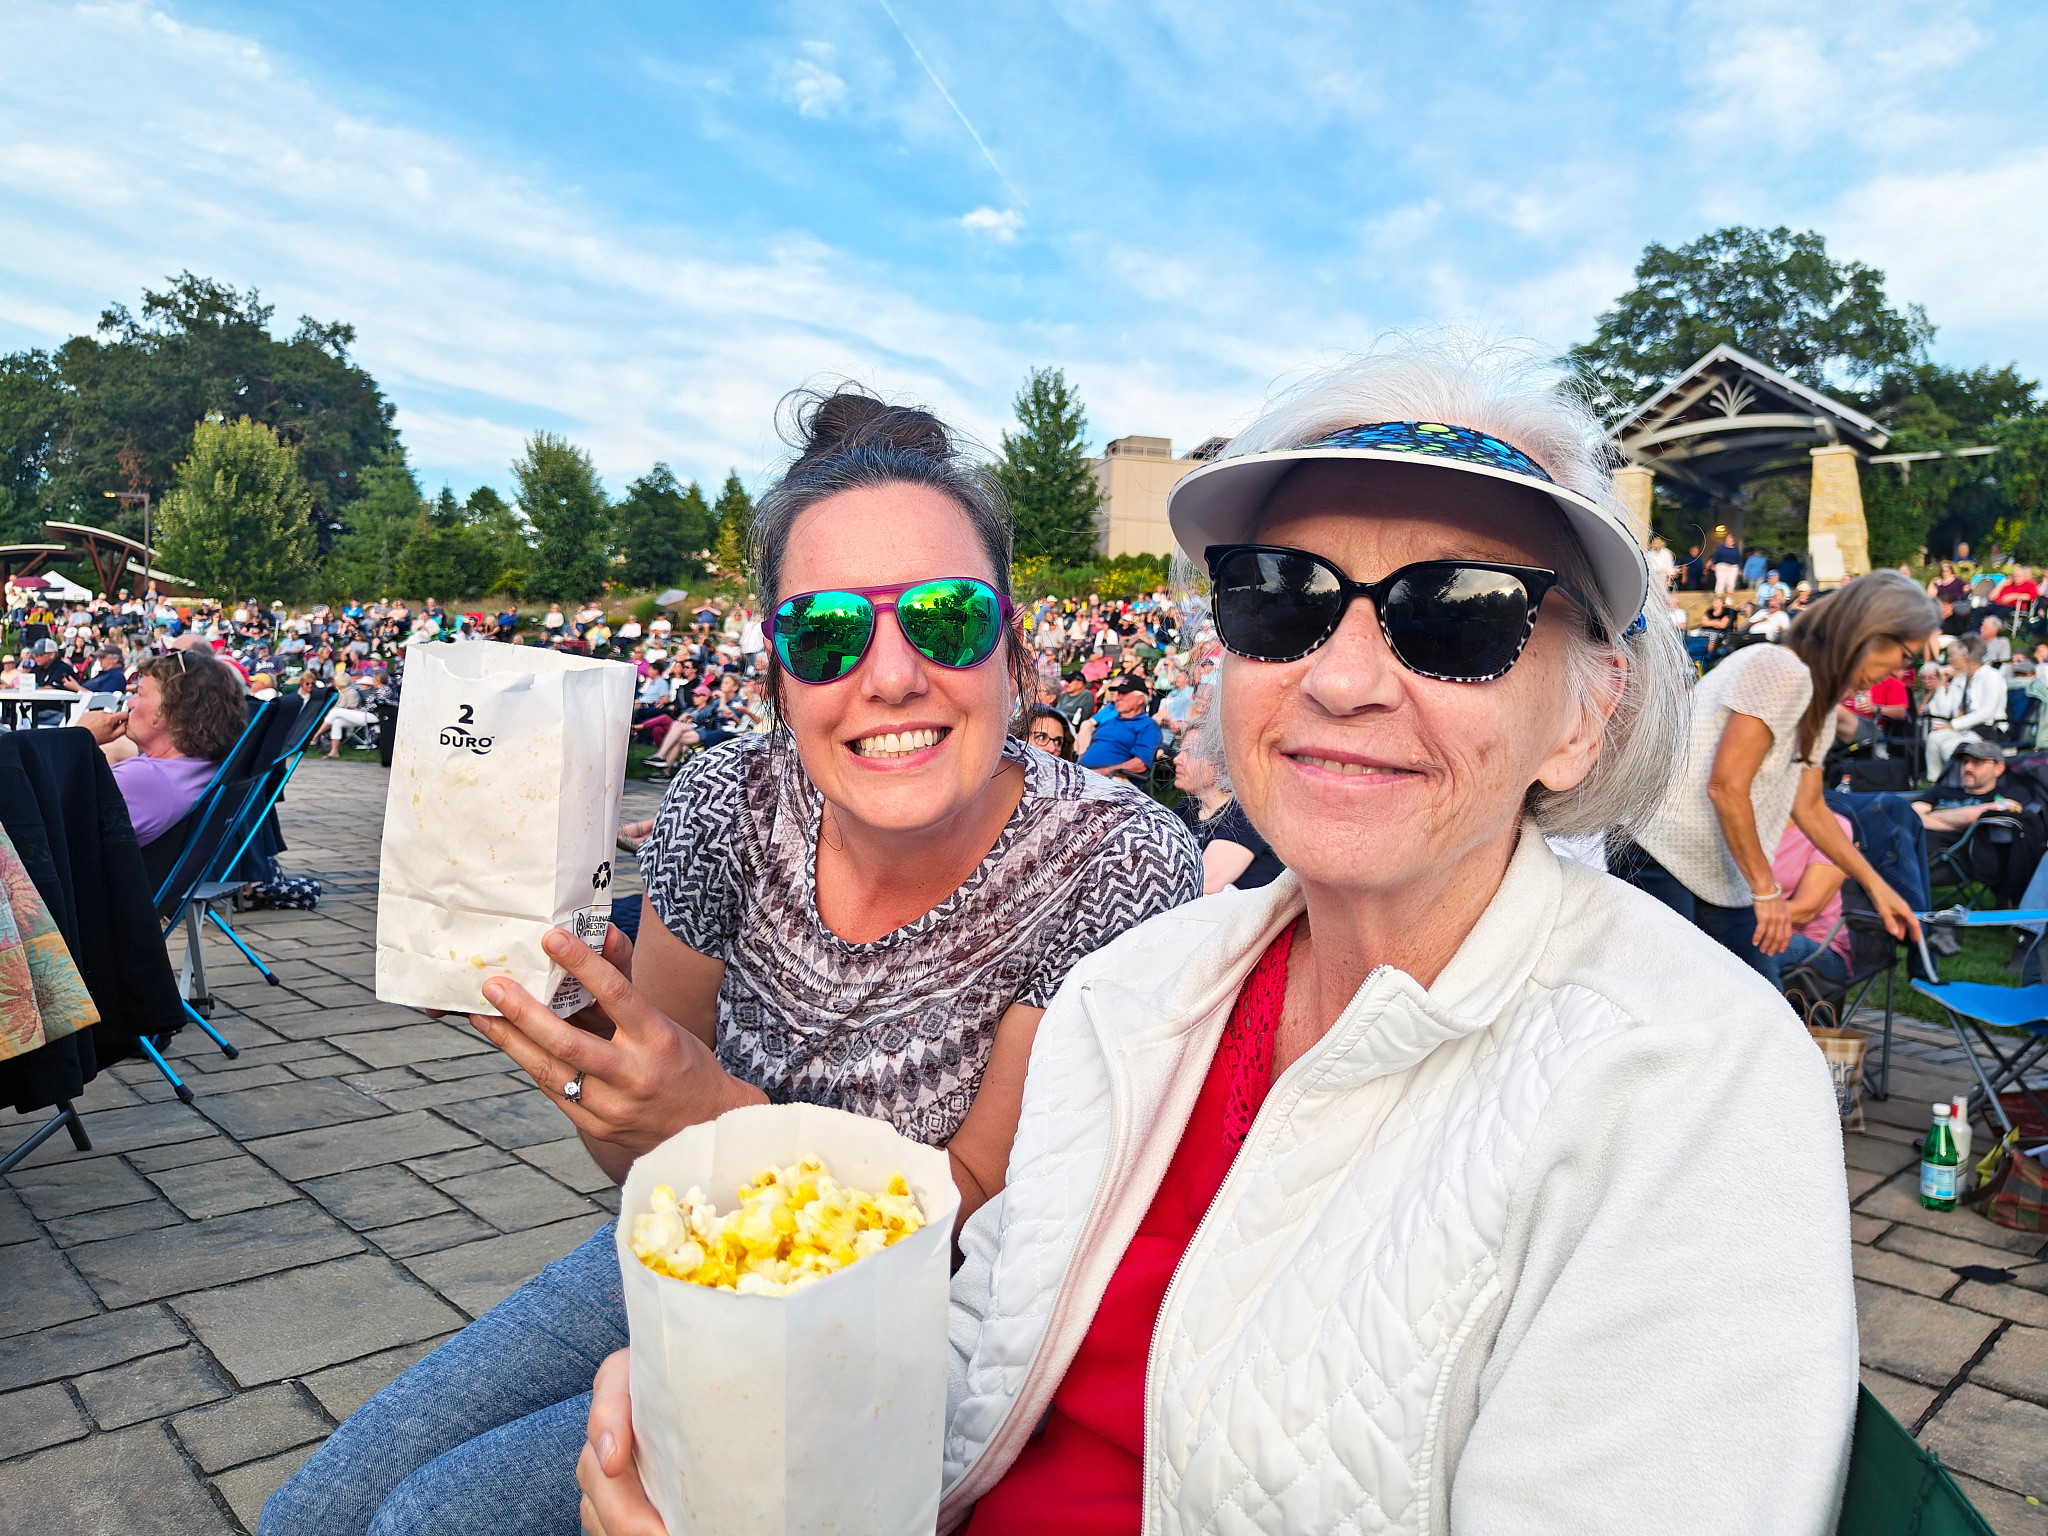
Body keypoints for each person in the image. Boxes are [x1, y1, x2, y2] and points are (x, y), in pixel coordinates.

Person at [577, 342, 1861, 1536]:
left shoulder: (1689, 1078)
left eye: (1458, 611)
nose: (1342, 677)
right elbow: (968, 1357)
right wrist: (767, 1433)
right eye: (1278, 595)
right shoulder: (1141, 989)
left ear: (1586, 713)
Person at [261, 387, 1201, 1536]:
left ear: (1011, 642)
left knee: (426, 1523)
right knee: (317, 1510)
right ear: (779, 667)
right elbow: (648, 1163)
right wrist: (593, 1061)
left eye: (945, 619)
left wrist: (712, 1118)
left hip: (904, 1333)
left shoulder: (1115, 857)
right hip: (688, 1247)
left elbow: (970, 1211)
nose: (892, 675)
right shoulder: (723, 800)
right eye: (825, 632)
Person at [1617, 570, 1934, 983]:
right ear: (1873, 631)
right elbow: (1727, 786)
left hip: (1718, 869)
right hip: (1660, 850)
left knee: (1751, 1006)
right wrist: (1766, 890)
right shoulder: (1781, 668)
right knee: (1684, 1005)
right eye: (1906, 655)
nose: (1898, 671)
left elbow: (1810, 807)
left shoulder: (1815, 698)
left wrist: (1877, 886)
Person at [76, 651, 245, 847]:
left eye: (140, 694)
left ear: (172, 710)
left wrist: (76, 737)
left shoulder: (143, 779)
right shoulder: (203, 767)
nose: (130, 703)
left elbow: (43, 823)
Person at [1170, 717, 1283, 892]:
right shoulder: (1186, 810)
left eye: (1190, 753)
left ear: (1221, 762)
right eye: (1180, 751)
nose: (1177, 759)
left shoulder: (1245, 815)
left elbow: (1204, 882)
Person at [1771, 816, 1855, 984]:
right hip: (1756, 929)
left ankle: (1763, 1010)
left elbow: (1806, 909)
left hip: (1818, 945)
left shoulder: (1831, 827)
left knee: (1744, 945)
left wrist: (1735, 920)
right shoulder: (1745, 823)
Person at [1925, 633, 2006, 779]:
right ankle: (1935, 783)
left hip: (1988, 729)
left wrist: (1952, 725)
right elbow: (1946, 710)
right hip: (1966, 729)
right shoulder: (1960, 679)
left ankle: (1958, 784)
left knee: (1949, 746)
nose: (1949, 660)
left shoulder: (1991, 676)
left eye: (1951, 656)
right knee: (1934, 738)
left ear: (1965, 655)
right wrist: (1941, 685)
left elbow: (1986, 713)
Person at [1075, 676, 1161, 779]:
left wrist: (1103, 772)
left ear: (1140, 700)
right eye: (1118, 693)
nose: (1117, 697)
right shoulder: (1111, 721)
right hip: (1086, 774)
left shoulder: (1148, 726)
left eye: (1124, 694)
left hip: (1114, 780)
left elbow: (1140, 765)